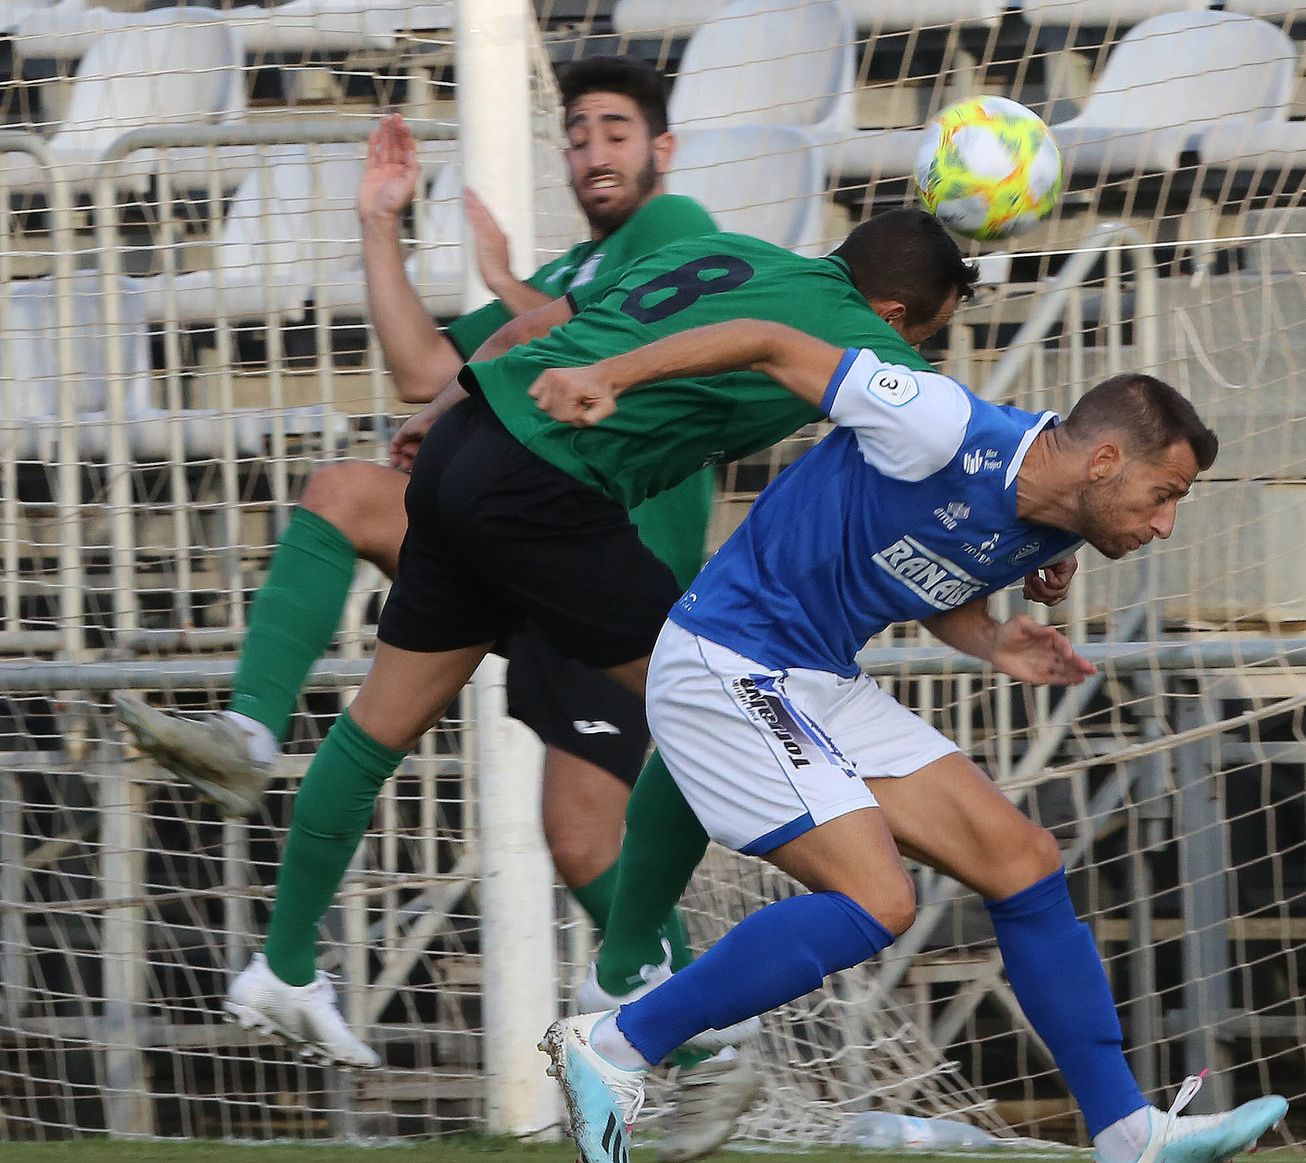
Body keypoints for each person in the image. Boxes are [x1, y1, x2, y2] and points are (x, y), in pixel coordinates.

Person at [115, 56, 755, 1159]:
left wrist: (507, 302)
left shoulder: (673, 230)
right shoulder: (568, 266)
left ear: (661, 150)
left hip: (605, 564)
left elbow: (591, 327)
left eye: (613, 131)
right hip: (514, 535)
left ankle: (704, 1048)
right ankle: (261, 806)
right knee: (345, 500)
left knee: (579, 837)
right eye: (578, 132)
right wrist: (381, 223)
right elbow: (423, 367)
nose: (591, 150)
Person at [191, 210, 977, 1085]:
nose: (921, 353)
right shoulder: (867, 340)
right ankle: (631, 972)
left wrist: (442, 410)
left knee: (378, 726)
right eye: (930, 334)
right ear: (901, 315)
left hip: (471, 440)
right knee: (709, 692)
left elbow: (535, 328)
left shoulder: (722, 250)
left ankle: (284, 965)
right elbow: (966, 451)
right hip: (550, 484)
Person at [530, 320, 1289, 1163]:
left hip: (820, 676)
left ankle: (1127, 1131)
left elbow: (916, 555)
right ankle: (614, 1048)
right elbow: (765, 340)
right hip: (728, 658)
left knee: (1024, 861)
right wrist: (610, 372)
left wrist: (992, 639)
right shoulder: (938, 421)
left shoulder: (1058, 521)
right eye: (1165, 493)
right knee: (878, 900)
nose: (1167, 524)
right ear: (1104, 461)